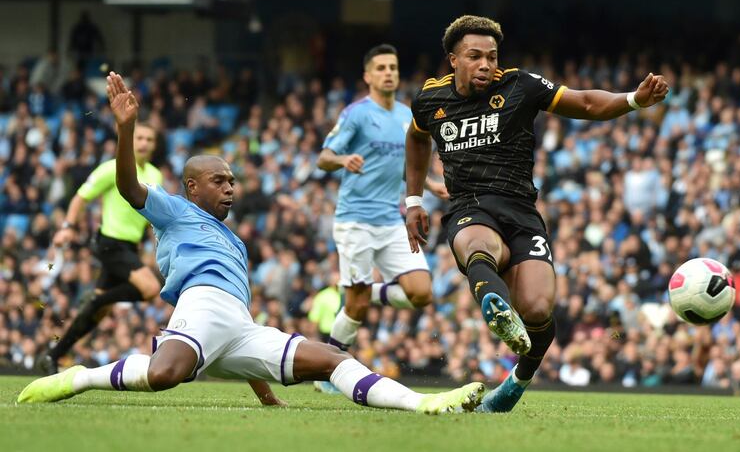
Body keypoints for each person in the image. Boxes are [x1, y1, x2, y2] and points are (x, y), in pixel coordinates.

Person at [18, 72, 485, 415]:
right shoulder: (176, 210)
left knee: (332, 357)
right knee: (163, 376)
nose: (229, 188)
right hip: (200, 305)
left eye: (232, 181)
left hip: (237, 325)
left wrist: (264, 392)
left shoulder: (237, 244)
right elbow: (127, 187)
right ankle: (80, 377)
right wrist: (124, 130)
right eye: (218, 181)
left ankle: (426, 404)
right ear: (191, 187)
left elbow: (237, 332)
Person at [404, 15, 668, 412]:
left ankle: (515, 383)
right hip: (469, 205)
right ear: (453, 60)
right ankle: (494, 304)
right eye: (474, 56)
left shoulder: (520, 85)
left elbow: (585, 102)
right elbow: (416, 137)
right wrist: (413, 200)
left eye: (491, 57)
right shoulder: (429, 99)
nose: (485, 65)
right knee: (477, 244)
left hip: (521, 211)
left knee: (539, 311)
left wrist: (634, 100)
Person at [315, 44, 448, 391]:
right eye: (382, 67)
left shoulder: (407, 115)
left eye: (393, 66)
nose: (389, 72)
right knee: (355, 309)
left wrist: (430, 184)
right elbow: (323, 157)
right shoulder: (357, 113)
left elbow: (405, 166)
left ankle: (367, 292)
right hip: (355, 220)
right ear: (368, 76)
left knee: (421, 292)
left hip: (391, 219)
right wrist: (343, 161)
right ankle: (329, 369)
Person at [40, 122, 163, 375]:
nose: (143, 143)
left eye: (149, 139)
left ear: (155, 145)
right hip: (109, 243)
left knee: (97, 312)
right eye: (138, 137)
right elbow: (80, 197)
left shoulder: (155, 175)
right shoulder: (112, 167)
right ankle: (96, 300)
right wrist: (67, 226)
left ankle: (53, 355)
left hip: (130, 246)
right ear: (129, 140)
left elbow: (152, 215)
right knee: (151, 288)